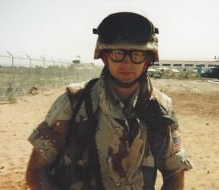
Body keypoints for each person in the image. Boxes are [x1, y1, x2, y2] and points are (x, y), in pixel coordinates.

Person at [26, 12, 193, 190]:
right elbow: (37, 171)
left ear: (147, 61)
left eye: (137, 55)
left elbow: (175, 172)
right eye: (117, 53)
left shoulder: (160, 107)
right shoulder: (74, 103)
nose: (127, 63)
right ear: (105, 57)